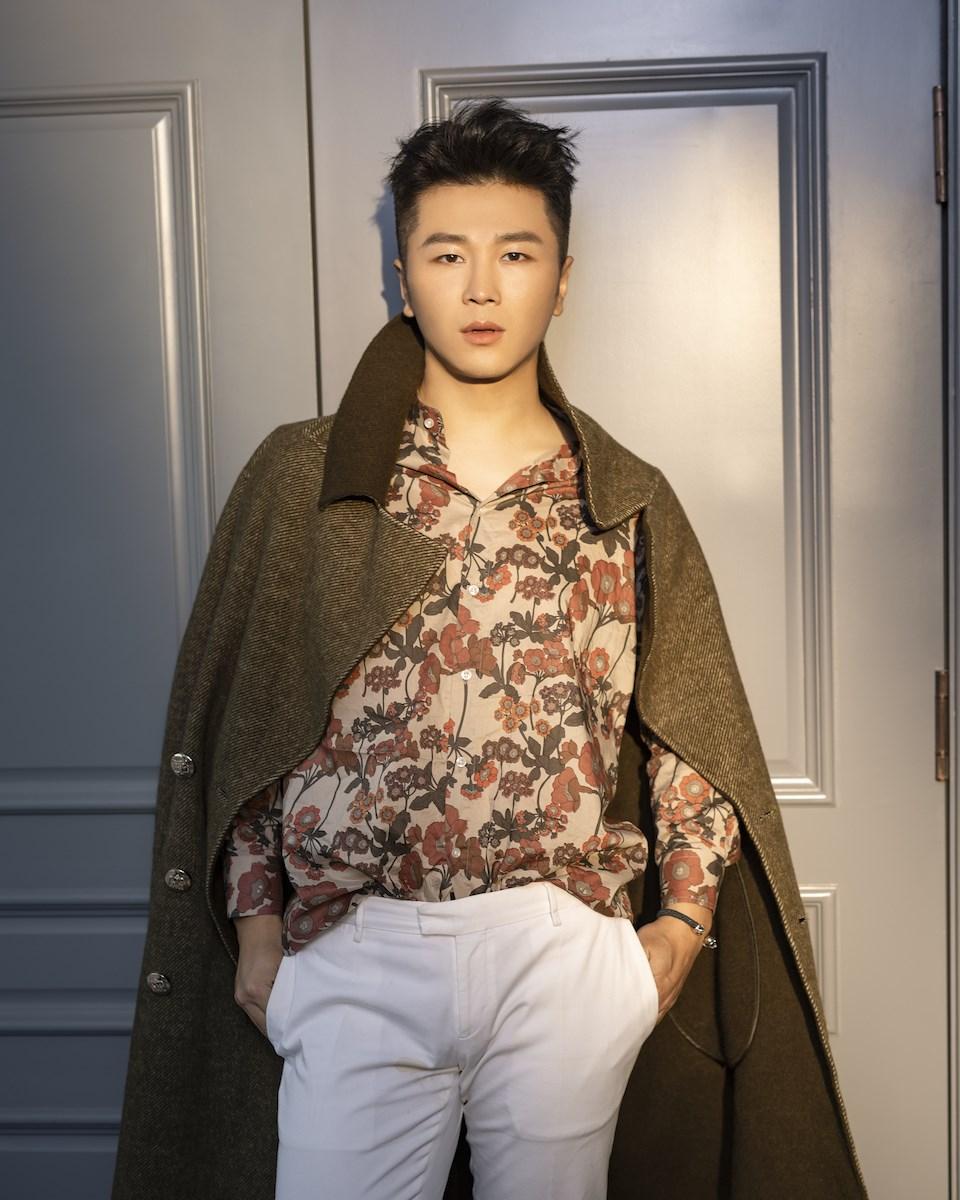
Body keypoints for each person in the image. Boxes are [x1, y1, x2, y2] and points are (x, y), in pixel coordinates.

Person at [112, 99, 867, 1200]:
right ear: (400, 278)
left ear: (561, 280)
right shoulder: (304, 479)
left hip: (560, 954)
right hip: (355, 951)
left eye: (515, 253)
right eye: (445, 253)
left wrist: (674, 935)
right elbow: (245, 722)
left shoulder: (623, 498)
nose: (479, 288)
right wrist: (260, 929)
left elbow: (692, 740)